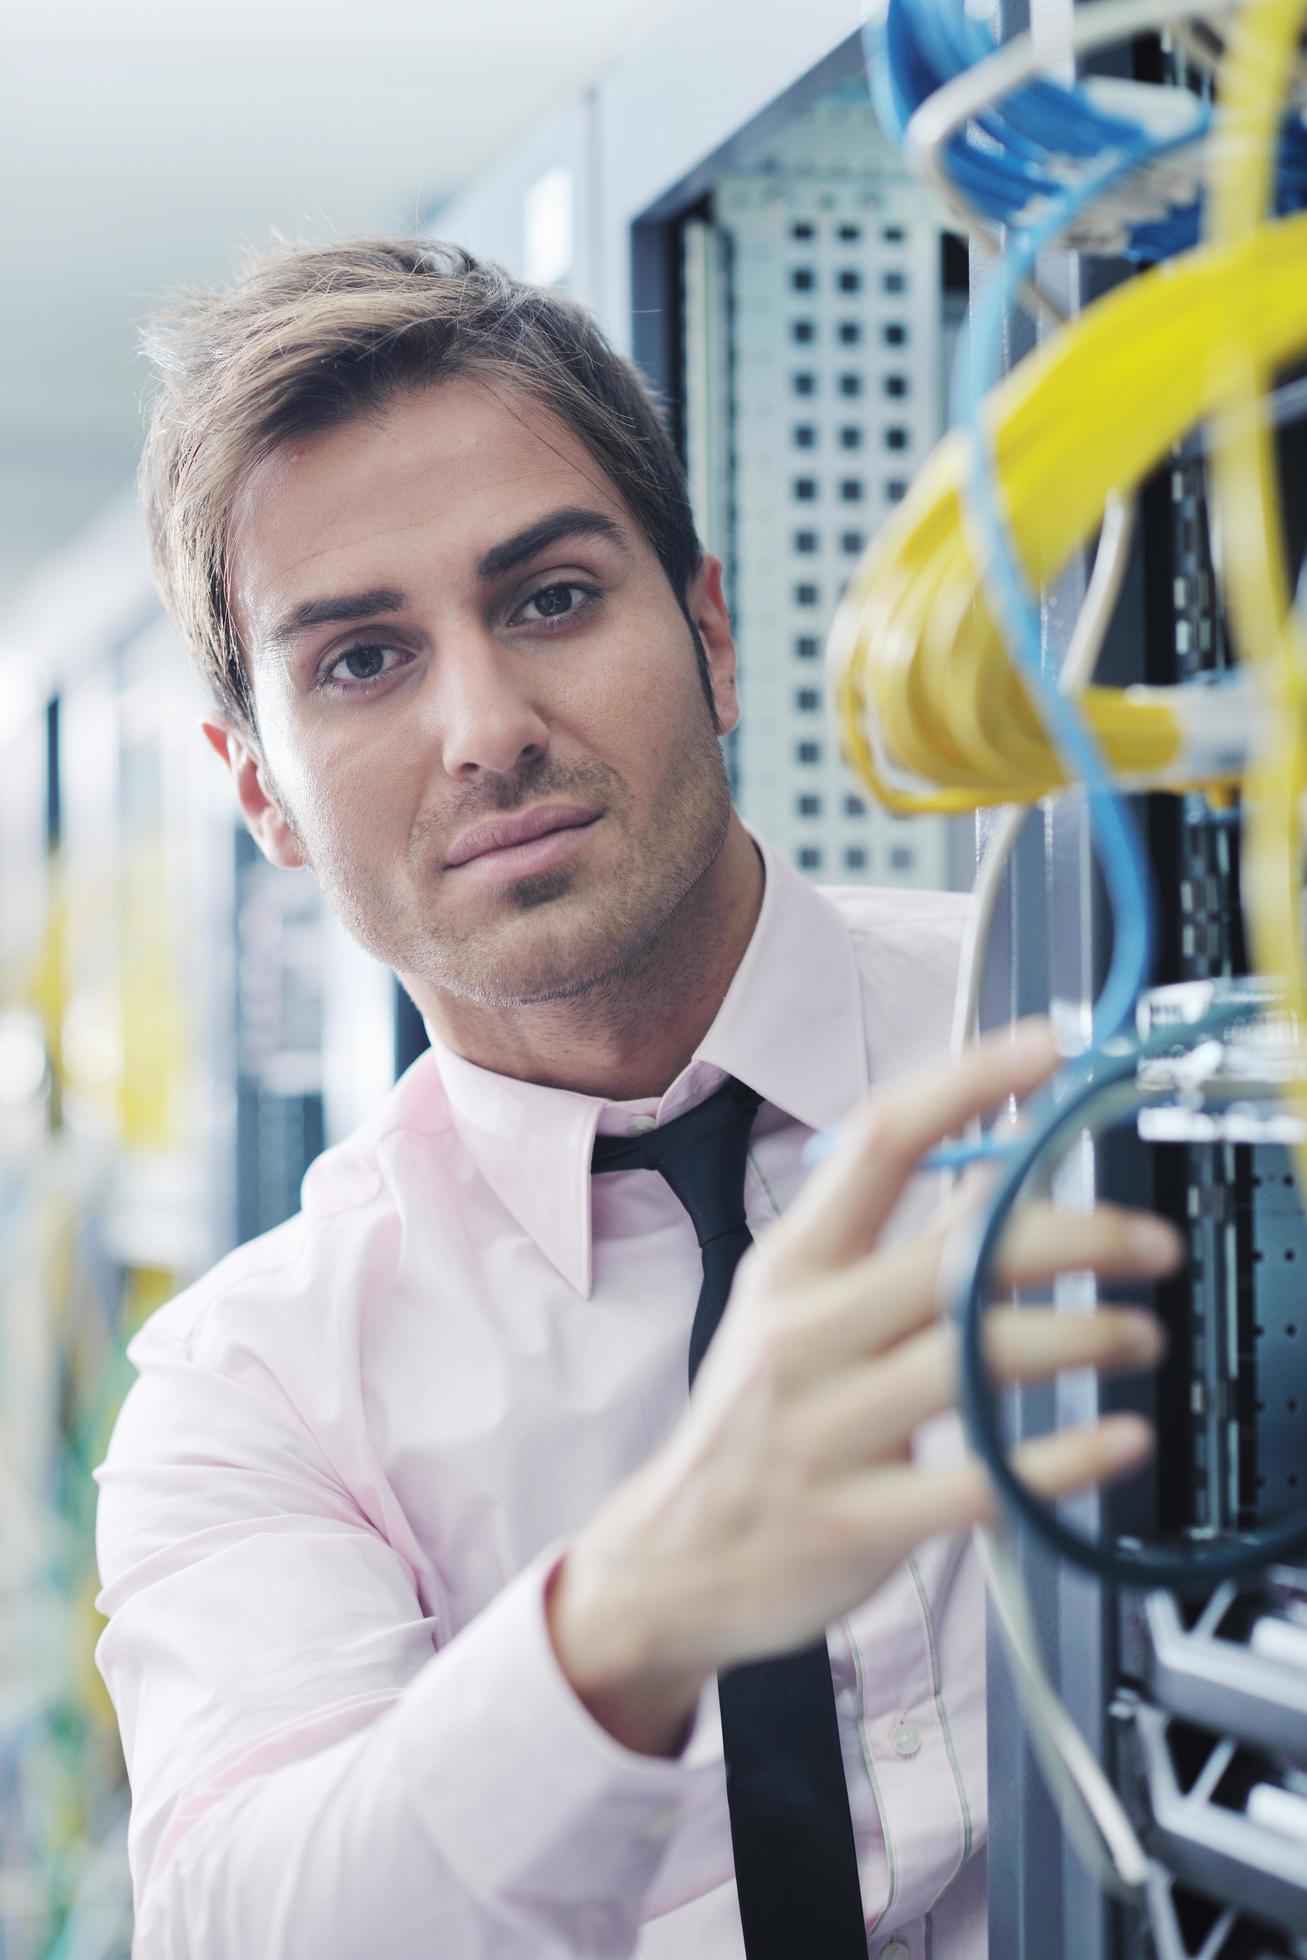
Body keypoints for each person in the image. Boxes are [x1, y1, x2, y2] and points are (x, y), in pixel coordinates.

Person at [93, 238, 1179, 1959]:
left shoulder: (1099, 1054)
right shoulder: (260, 1393)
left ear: (711, 633)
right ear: (263, 799)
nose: (487, 728)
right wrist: (639, 1611)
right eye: (361, 662)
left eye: (548, 599)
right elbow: (252, 1913)